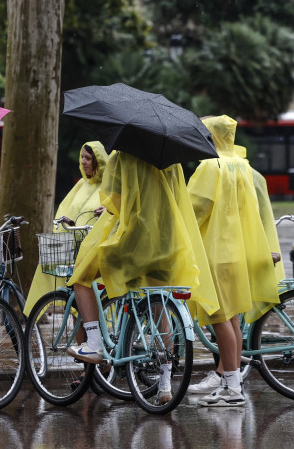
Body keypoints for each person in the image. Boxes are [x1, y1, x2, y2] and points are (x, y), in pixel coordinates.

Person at [65, 150, 219, 404]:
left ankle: (93, 343)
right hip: (167, 242)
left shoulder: (120, 157)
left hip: (133, 241)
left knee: (81, 277)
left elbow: (115, 200)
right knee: (159, 307)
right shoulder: (170, 160)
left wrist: (110, 207)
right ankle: (165, 384)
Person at [185, 115, 283, 405]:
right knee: (232, 319)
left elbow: (194, 208)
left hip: (216, 253)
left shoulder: (210, 166)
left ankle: (232, 388)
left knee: (218, 318)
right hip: (237, 253)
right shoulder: (242, 164)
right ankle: (233, 381)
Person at [24, 141, 108, 316]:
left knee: (90, 299)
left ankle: (96, 338)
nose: (83, 162)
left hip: (94, 251)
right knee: (73, 303)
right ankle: (80, 342)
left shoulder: (108, 187)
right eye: (82, 157)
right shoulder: (81, 185)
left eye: (88, 158)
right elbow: (65, 210)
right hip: (74, 249)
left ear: (99, 161)